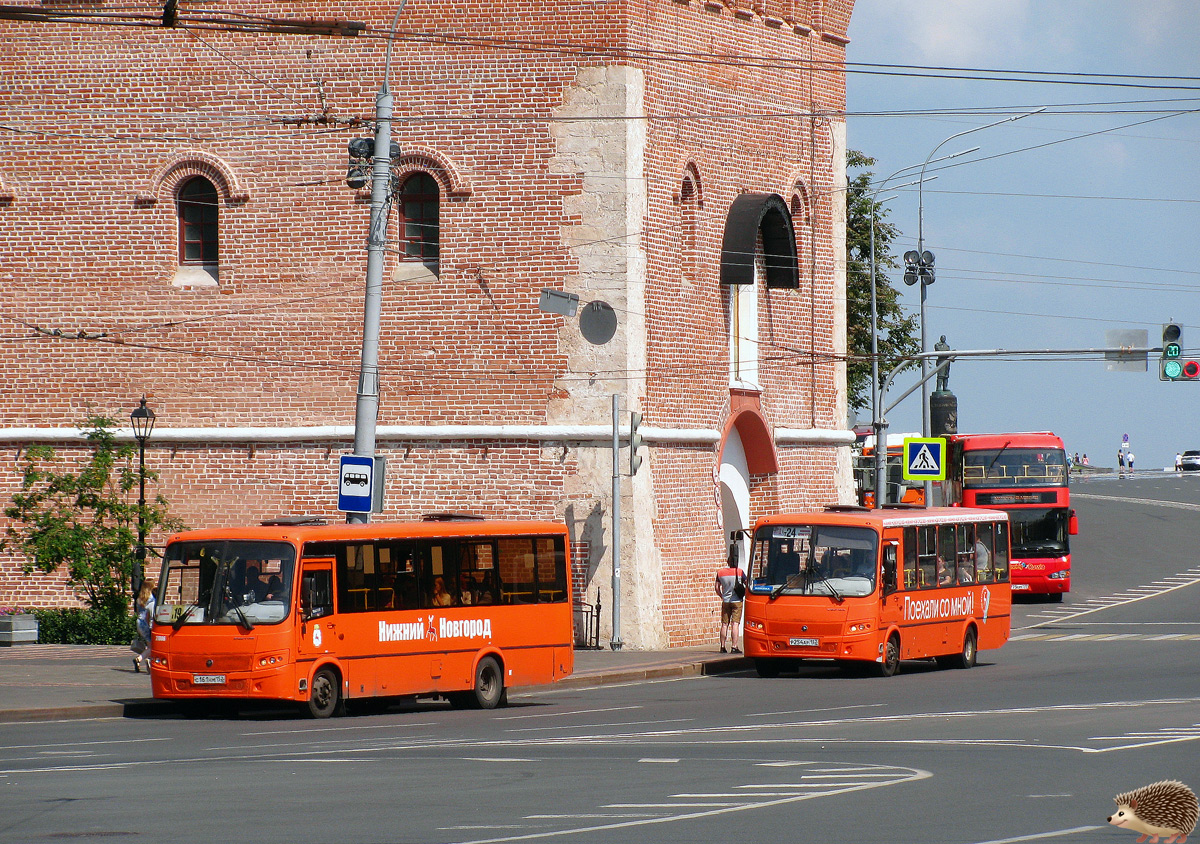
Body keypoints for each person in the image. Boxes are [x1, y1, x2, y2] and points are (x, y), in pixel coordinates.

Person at [714, 547, 746, 654]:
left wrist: (721, 595)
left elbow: (717, 587)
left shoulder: (720, 572)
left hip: (726, 601)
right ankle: (734, 646)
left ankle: (722, 646)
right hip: (737, 601)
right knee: (735, 624)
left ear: (728, 562)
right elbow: (747, 584)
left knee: (724, 624)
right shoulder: (740, 572)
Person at [131, 579, 156, 674]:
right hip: (146, 623)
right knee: (152, 647)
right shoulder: (151, 599)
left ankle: (148, 661)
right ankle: (140, 659)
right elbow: (150, 615)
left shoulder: (139, 598)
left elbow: (138, 611)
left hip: (139, 622)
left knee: (149, 645)